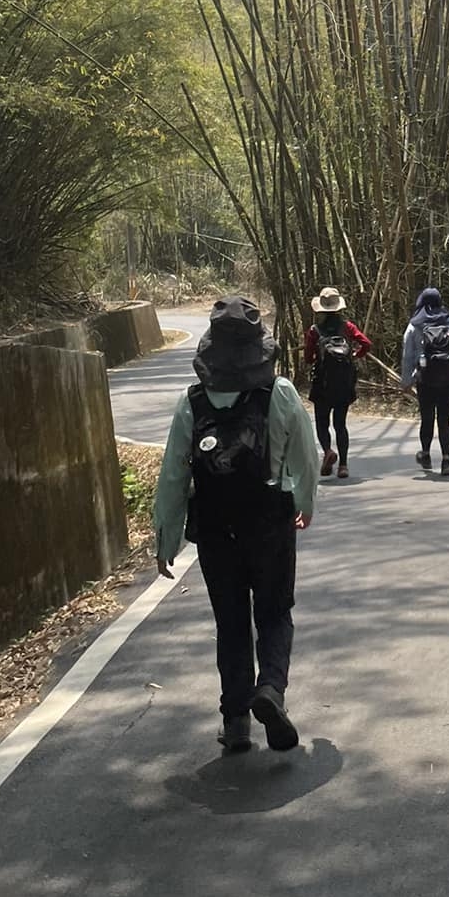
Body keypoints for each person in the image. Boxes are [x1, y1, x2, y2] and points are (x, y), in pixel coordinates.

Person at [154, 297, 321, 752]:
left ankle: (235, 722)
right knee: (273, 612)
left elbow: (173, 473)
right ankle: (269, 688)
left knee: (230, 623)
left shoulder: (191, 402)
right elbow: (308, 456)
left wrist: (166, 536)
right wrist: (305, 501)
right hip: (269, 519)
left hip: (213, 527)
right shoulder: (280, 393)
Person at [302, 285, 372, 479]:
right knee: (340, 425)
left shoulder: (315, 330)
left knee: (322, 423)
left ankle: (327, 452)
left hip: (322, 384)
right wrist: (355, 356)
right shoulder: (348, 327)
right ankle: (343, 465)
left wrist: (316, 357)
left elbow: (308, 358)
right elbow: (366, 343)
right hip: (343, 384)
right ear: (339, 308)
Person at [401, 286, 449, 474]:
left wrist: (406, 381)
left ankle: (425, 454)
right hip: (448, 380)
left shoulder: (415, 325)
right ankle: (446, 461)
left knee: (427, 418)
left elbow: (407, 355)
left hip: (425, 379)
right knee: (444, 419)